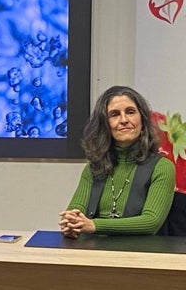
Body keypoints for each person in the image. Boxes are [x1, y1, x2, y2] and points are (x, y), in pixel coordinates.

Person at [59, 85, 175, 237]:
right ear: (104, 124)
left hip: (140, 255)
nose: (124, 120)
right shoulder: (94, 167)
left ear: (142, 119)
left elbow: (151, 222)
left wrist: (94, 225)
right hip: (94, 254)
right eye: (114, 114)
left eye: (130, 112)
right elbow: (76, 211)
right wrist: (70, 223)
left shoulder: (162, 167)